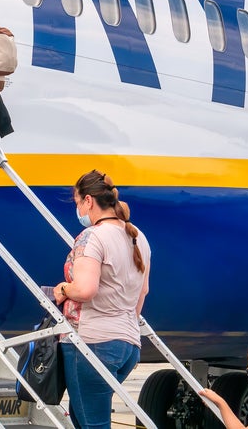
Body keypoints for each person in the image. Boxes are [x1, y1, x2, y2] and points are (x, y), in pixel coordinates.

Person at [51, 170, 151, 429]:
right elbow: (143, 294)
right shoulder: (138, 237)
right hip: (128, 344)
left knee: (93, 423)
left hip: (92, 342)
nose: (78, 210)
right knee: (82, 415)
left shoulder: (91, 236)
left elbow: (85, 290)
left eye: (77, 204)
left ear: (88, 201)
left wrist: (62, 289)